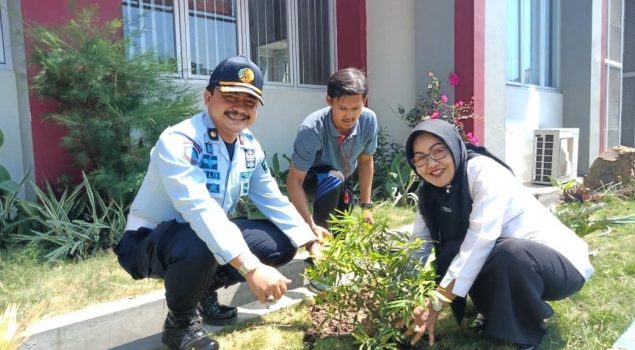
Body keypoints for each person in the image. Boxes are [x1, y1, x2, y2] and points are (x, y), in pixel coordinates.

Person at [114, 56, 322, 350]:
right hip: (148, 241)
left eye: (249, 102)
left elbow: (272, 197)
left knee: (281, 242)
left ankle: (203, 292)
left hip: (202, 234)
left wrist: (309, 240)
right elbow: (199, 208)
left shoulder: (249, 146)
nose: (239, 108)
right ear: (208, 97)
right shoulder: (180, 141)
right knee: (201, 237)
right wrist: (251, 268)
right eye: (230, 97)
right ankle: (180, 325)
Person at [399, 119, 594, 350]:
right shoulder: (429, 193)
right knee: (452, 250)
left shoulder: (484, 172)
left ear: (453, 146)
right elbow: (418, 245)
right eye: (420, 157)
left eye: (438, 151)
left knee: (507, 254)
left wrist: (437, 302)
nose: (431, 163)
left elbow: (481, 240)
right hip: (509, 258)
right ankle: (493, 314)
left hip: (560, 266)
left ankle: (525, 332)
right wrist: (397, 296)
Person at [287, 68, 378, 242]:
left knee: (340, 233)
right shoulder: (312, 129)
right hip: (312, 179)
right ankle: (317, 246)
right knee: (333, 180)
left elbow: (366, 160)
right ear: (329, 100)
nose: (350, 115)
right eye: (342, 108)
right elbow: (294, 181)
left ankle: (334, 255)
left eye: (356, 108)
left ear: (364, 102)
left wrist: (366, 206)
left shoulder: (368, 120)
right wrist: (310, 226)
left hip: (344, 176)